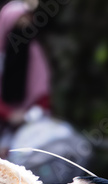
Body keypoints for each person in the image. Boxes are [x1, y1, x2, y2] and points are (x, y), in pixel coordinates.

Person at [0, 0, 51, 158]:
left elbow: (43, 96)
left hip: (28, 133)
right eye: (19, 21)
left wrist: (28, 117)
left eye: (27, 21)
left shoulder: (34, 53)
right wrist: (8, 115)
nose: (24, 26)